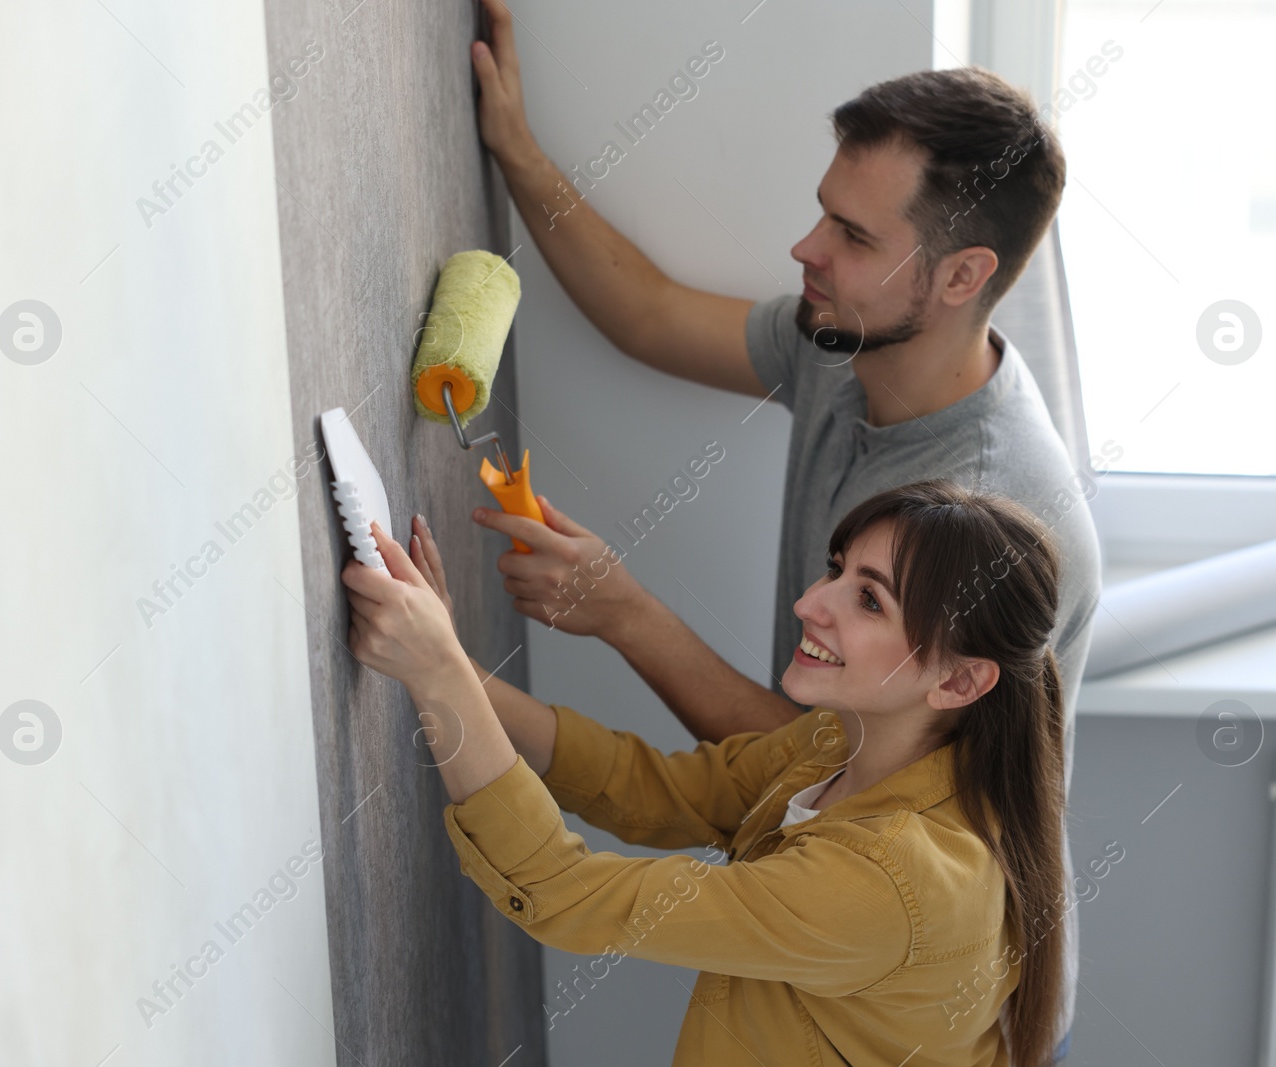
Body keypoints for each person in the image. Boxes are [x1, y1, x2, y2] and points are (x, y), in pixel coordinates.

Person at [469, 7, 1099, 1051]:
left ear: (959, 278)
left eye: (852, 237)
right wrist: (515, 150)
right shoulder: (846, 335)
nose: (805, 249)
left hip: (931, 998)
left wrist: (622, 611)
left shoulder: (979, 509)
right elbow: (652, 315)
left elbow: (813, 755)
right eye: (825, 213)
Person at [342, 481, 1069, 1066]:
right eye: (837, 568)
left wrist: (438, 677)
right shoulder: (847, 738)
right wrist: (459, 672)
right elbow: (648, 785)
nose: (810, 604)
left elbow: (566, 895)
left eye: (869, 599)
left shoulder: (893, 882)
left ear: (961, 682)